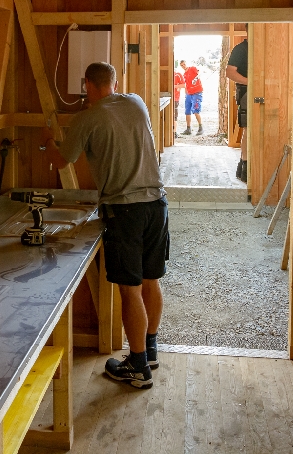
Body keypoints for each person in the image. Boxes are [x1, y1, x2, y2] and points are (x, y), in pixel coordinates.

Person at [41, 62, 168, 389]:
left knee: (130, 289)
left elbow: (62, 160)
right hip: (157, 203)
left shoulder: (87, 118)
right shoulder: (136, 102)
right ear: (115, 83)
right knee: (151, 281)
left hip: (125, 212)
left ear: (86, 84)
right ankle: (149, 351)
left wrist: (48, 142)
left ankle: (137, 367)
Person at [225, 39, 249, 182]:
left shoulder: (260, 47)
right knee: (249, 129)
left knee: (250, 129)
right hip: (246, 93)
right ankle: (245, 168)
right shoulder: (241, 49)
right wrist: (252, 82)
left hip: (254, 92)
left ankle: (242, 167)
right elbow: (230, 72)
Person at [179, 59, 204, 135]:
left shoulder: (192, 68)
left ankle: (201, 128)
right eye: (182, 65)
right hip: (189, 94)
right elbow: (186, 85)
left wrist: (195, 79)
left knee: (196, 110)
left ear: (186, 63)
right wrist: (186, 93)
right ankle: (188, 129)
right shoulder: (184, 74)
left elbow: (200, 73)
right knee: (187, 111)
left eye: (184, 64)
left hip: (197, 93)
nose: (183, 66)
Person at [173, 68, 185, 136]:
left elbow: (183, 85)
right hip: (168, 97)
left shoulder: (177, 74)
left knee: (174, 115)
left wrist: (174, 86)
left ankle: (174, 132)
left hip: (175, 98)